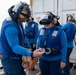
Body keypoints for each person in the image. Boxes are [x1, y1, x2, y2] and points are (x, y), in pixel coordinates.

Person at [1, 1, 45, 75]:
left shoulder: (18, 22)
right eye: (25, 18)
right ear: (19, 15)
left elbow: (24, 36)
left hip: (16, 57)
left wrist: (28, 48)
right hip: (10, 60)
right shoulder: (10, 27)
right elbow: (15, 47)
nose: (25, 21)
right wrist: (31, 54)